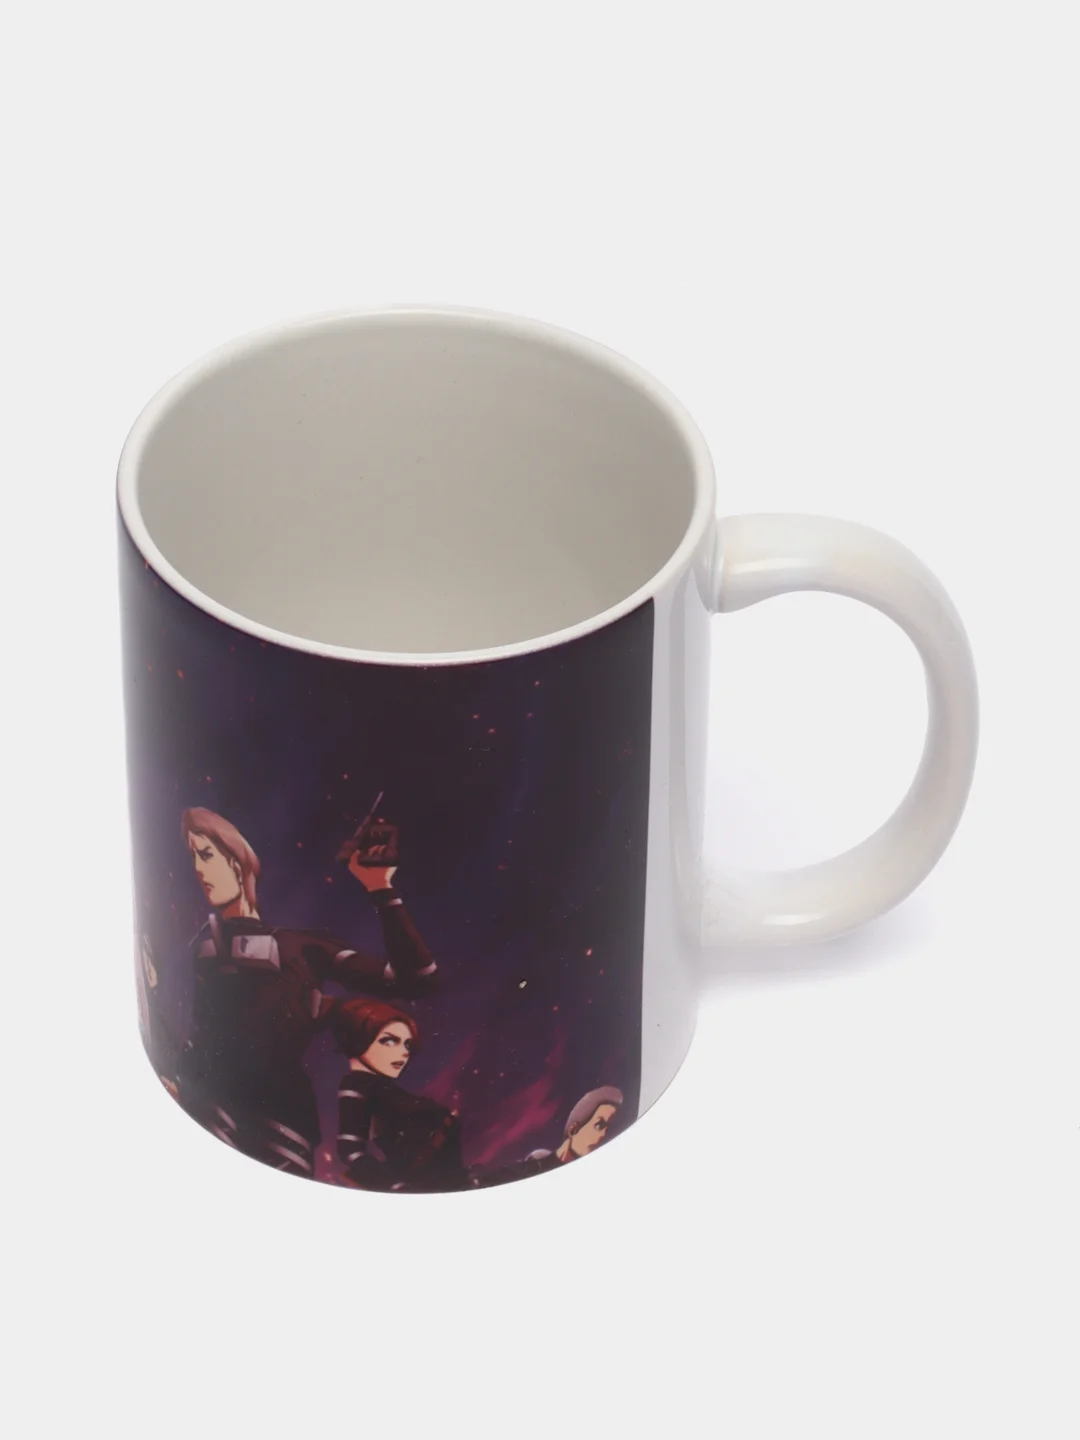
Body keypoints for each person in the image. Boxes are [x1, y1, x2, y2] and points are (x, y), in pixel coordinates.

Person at [177, 806, 439, 1179]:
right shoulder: (204, 947)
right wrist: (180, 1076)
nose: (199, 870)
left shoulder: (302, 947)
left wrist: (380, 888)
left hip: (280, 1118)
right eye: (192, 857)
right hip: (212, 1103)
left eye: (206, 855)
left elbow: (418, 979)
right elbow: (200, 1030)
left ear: (237, 861)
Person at [330, 997, 464, 1192]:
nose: (404, 1052)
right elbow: (350, 1151)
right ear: (359, 1037)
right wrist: (396, 1187)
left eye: (407, 1044)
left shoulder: (384, 1089)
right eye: (389, 1041)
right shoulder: (357, 1085)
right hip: (424, 1189)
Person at [469, 1085, 624, 1188]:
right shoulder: (526, 1171)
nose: (604, 1135)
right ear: (573, 1129)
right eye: (599, 1125)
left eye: (608, 1128)